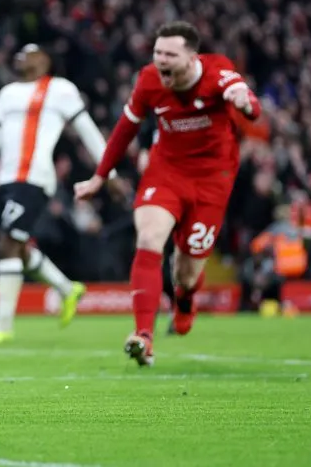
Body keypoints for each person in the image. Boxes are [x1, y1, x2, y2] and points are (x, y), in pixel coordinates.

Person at [75, 21, 261, 366]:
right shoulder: (148, 79)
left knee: (186, 274)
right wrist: (99, 177)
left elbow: (250, 103)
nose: (160, 60)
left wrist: (244, 102)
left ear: (192, 57)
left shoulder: (218, 71)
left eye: (170, 54)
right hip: (166, 172)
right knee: (148, 237)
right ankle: (143, 335)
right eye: (157, 52)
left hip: (212, 179)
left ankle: (185, 300)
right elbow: (124, 130)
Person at [0, 44, 114, 344]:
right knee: (18, 247)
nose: (20, 55)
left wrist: (109, 172)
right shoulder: (6, 94)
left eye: (29, 52)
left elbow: (88, 131)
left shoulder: (60, 89)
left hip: (34, 177)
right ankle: (68, 289)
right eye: (18, 53)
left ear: (45, 59)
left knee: (7, 244)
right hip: (6, 179)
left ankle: (2, 326)